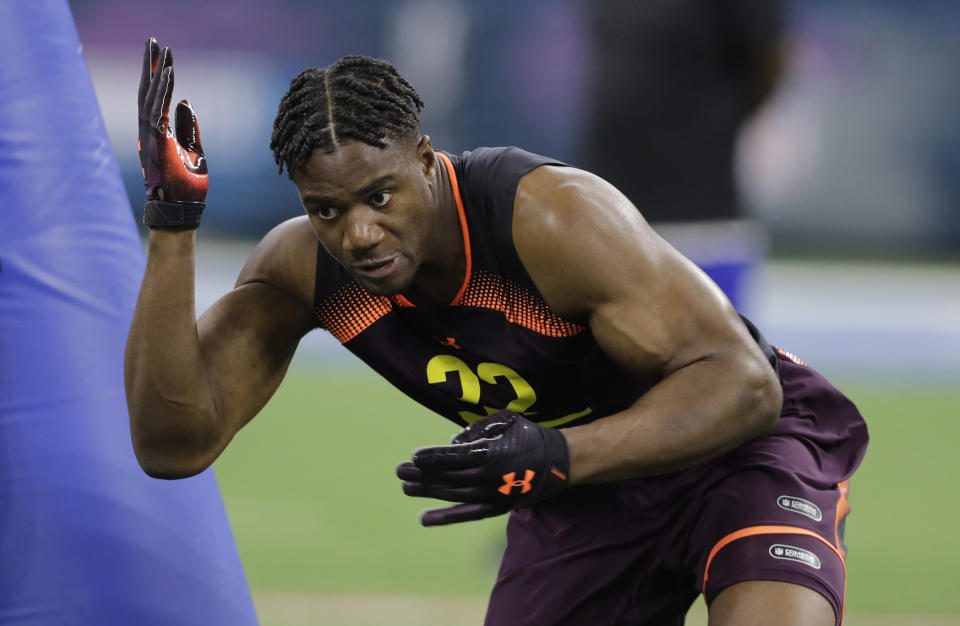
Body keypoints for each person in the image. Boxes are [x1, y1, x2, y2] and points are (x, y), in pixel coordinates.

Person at [126, 37, 867, 626]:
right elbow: (172, 445)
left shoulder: (551, 218)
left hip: (729, 453)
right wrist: (171, 225)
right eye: (326, 210)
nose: (357, 233)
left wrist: (558, 453)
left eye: (378, 196)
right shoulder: (306, 272)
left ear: (425, 162)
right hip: (580, 487)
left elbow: (742, 386)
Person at [581, 0, 788, 312]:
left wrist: (711, 122)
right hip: (613, 208)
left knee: (719, 352)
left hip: (701, 218)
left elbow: (770, 57)